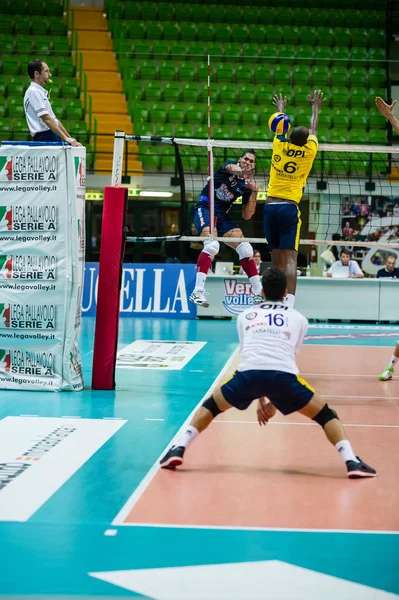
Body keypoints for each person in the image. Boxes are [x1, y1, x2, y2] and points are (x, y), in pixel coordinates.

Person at [160, 267, 376, 479]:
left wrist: (261, 397)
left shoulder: (246, 315)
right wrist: (273, 400)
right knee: (326, 415)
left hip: (248, 375)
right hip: (283, 376)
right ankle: (351, 461)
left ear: (261, 291)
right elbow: (282, 361)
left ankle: (178, 448)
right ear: (285, 293)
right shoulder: (299, 319)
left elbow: (254, 357)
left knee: (212, 406)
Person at [263, 91, 324, 309]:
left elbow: (279, 127)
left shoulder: (279, 146)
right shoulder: (309, 152)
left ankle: (273, 301)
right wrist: (315, 107)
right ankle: (288, 304)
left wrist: (281, 107)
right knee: (290, 260)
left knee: (276, 258)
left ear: (290, 138)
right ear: (307, 141)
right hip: (289, 208)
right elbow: (314, 128)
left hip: (270, 206)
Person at [189, 150, 263, 308]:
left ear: (254, 165)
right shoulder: (229, 166)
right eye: (245, 159)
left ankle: (259, 293)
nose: (248, 162)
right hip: (206, 208)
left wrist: (255, 192)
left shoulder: (247, 186)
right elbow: (232, 168)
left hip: (223, 216)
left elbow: (247, 216)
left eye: (251, 161)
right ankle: (197, 291)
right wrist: (243, 173)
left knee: (246, 250)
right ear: (239, 160)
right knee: (212, 245)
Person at [24, 59, 81, 146]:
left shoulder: (40, 92)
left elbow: (54, 120)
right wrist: (66, 138)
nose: (50, 74)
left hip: (52, 134)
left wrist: (70, 139)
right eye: (46, 71)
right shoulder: (33, 92)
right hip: (44, 137)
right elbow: (46, 118)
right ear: (36, 74)